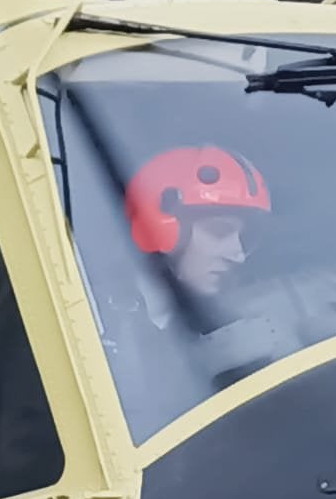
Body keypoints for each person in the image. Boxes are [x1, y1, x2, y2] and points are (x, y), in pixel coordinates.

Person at [100, 145, 274, 433]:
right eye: (220, 232)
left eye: (243, 239)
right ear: (158, 228)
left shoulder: (229, 329)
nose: (238, 255)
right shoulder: (92, 325)